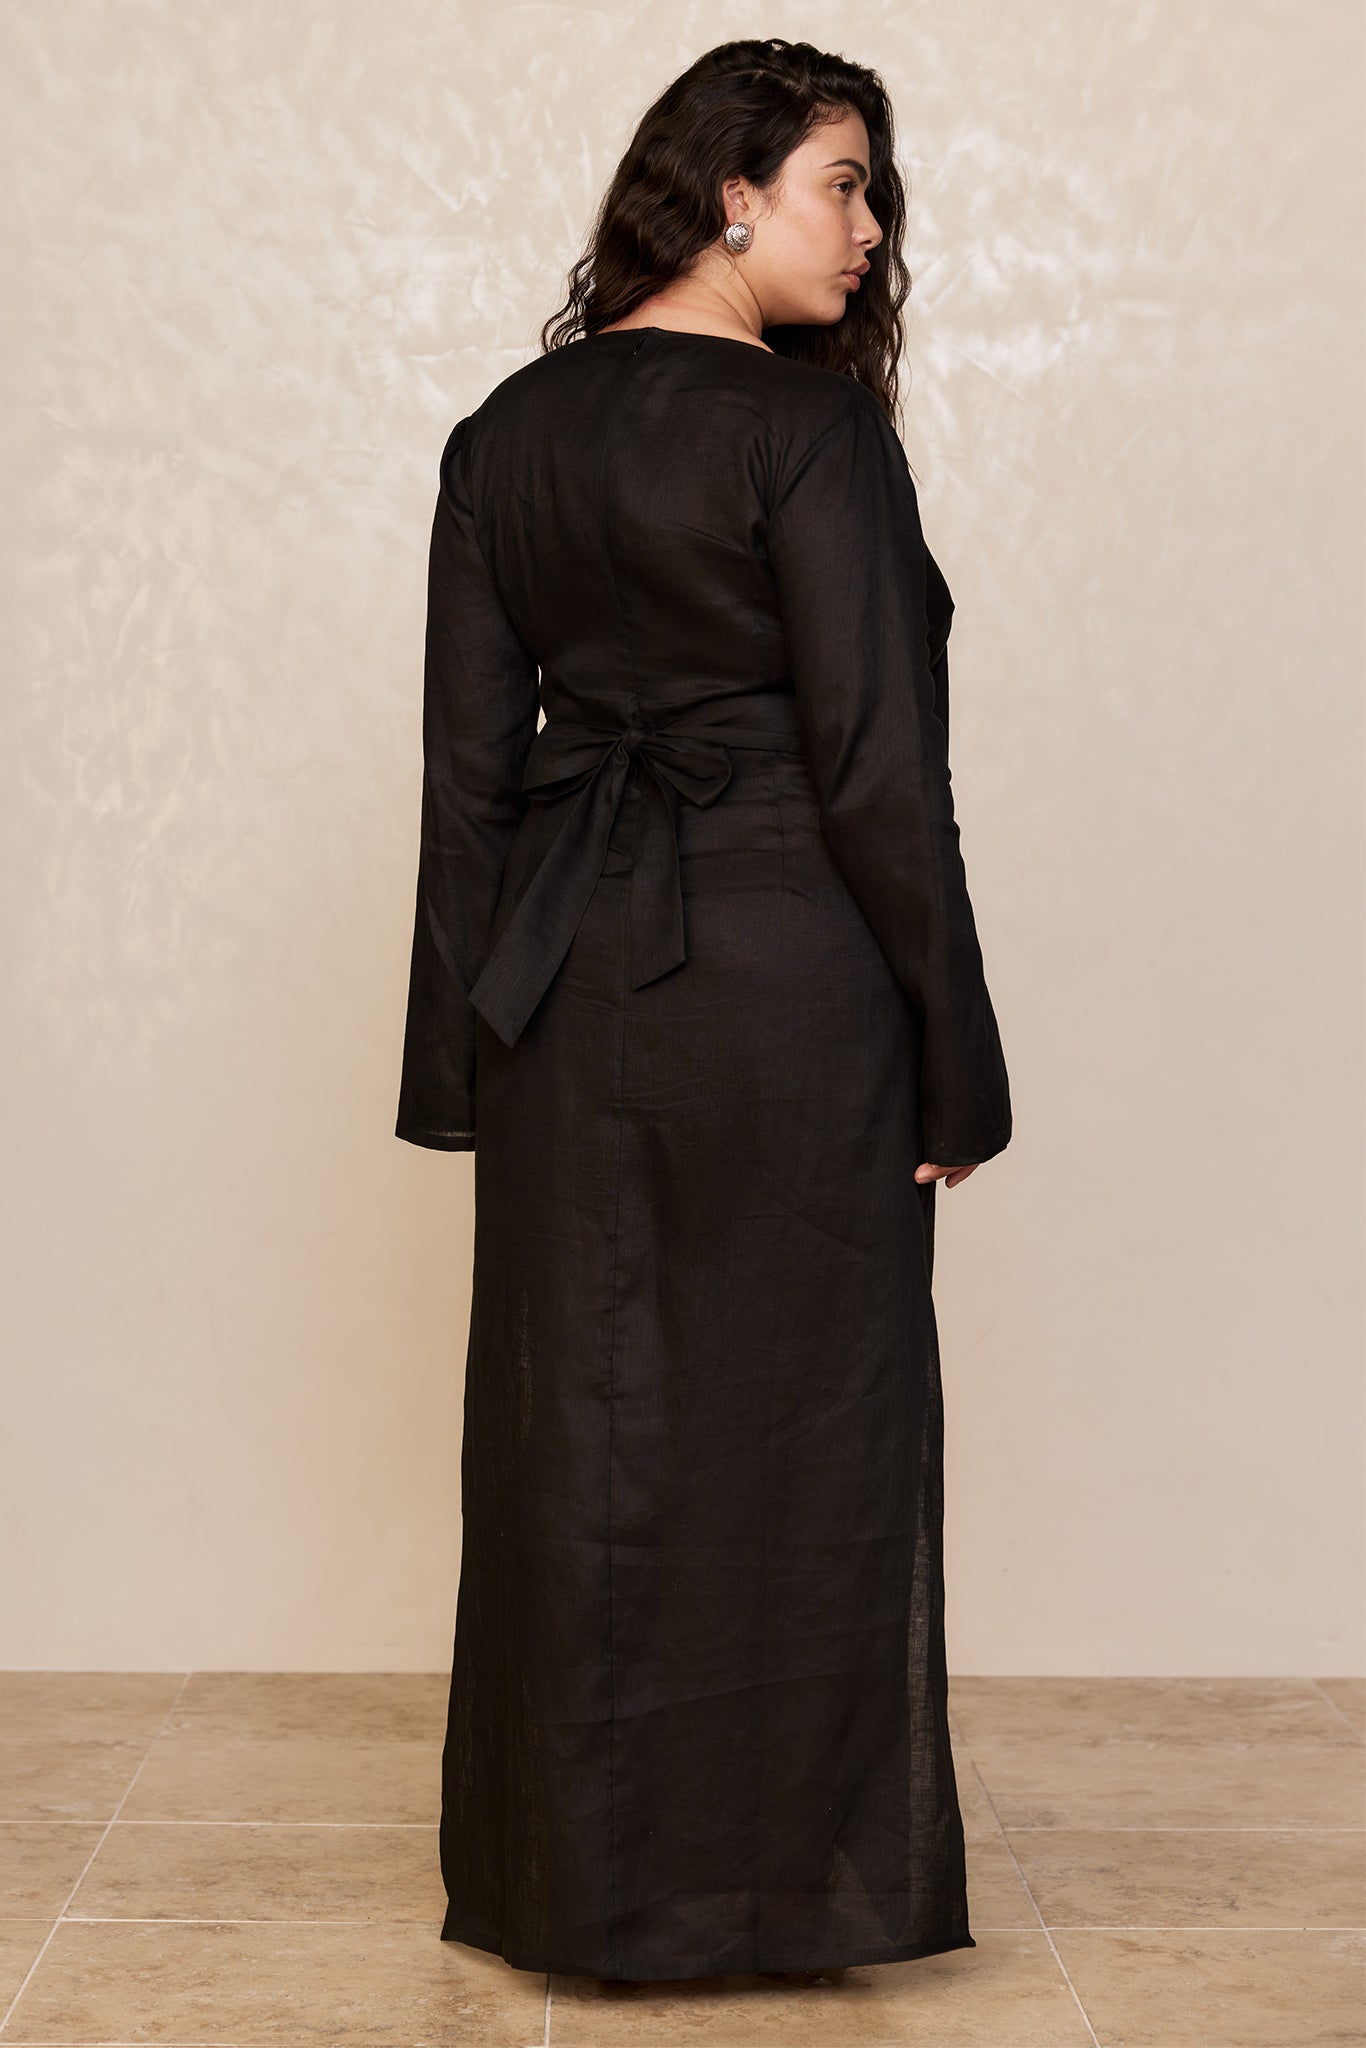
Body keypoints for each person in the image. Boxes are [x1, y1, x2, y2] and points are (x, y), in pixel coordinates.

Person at [394, 35, 1012, 1989]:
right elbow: (876, 776)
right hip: (788, 980)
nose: (871, 225)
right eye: (843, 181)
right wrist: (958, 1054)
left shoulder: (501, 436)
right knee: (801, 1420)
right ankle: (768, 1887)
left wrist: (456, 1058)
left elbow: (467, 783)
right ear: (731, 193)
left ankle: (573, 1883)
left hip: (563, 982)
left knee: (584, 1421)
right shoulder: (805, 436)